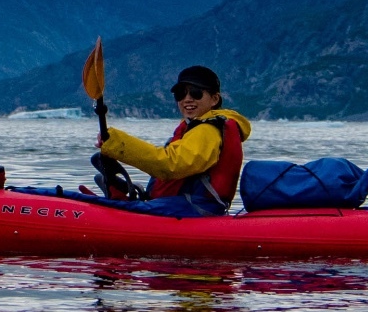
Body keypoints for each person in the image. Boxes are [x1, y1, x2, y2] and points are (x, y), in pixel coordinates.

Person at [88, 65, 252, 218]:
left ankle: (108, 200)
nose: (187, 99)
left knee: (122, 208)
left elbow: (171, 164)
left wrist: (117, 144)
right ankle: (120, 193)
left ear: (214, 99)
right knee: (138, 202)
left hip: (195, 208)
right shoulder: (197, 127)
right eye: (181, 94)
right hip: (182, 203)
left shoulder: (207, 130)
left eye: (196, 93)